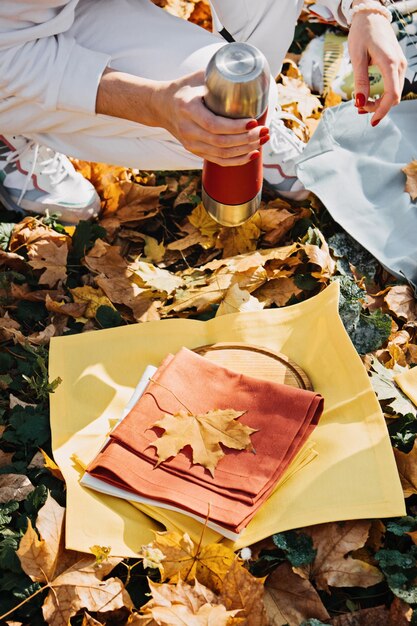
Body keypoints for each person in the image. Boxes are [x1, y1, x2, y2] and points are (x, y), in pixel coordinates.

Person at [0, 0, 407, 224]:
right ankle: (11, 134)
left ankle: (251, 114)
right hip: (12, 39)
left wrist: (364, 9)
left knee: (225, 102)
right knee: (208, 116)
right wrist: (155, 102)